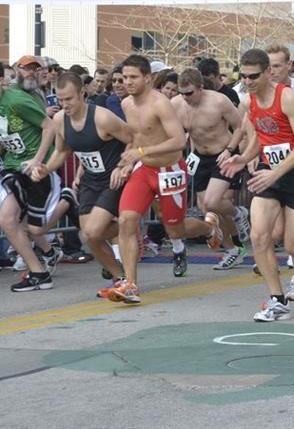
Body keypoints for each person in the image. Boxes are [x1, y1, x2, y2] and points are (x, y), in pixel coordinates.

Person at [220, 49, 294, 321]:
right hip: (266, 173)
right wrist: (243, 158)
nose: (248, 81)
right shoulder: (248, 102)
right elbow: (262, 137)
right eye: (244, 76)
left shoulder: (286, 96)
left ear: (268, 72)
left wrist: (276, 173)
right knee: (260, 236)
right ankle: (277, 299)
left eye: (254, 76)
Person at [104, 55, 224, 304]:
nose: (128, 82)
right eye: (125, 77)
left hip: (170, 170)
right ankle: (130, 283)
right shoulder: (126, 104)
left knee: (174, 229)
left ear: (147, 78)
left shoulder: (160, 104)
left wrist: (140, 153)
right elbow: (138, 137)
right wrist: (126, 163)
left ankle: (209, 227)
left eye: (133, 77)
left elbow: (179, 141)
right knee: (126, 220)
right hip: (144, 169)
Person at [31, 72, 134, 285]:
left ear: (82, 93)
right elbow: (61, 151)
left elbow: (134, 139)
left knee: (94, 230)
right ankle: (120, 277)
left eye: (69, 99)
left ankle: (130, 228)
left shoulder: (102, 118)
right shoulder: (59, 120)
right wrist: (45, 169)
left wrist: (123, 165)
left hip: (113, 180)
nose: (64, 104)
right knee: (89, 237)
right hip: (90, 181)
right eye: (60, 100)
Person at [0, 58, 61, 292]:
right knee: (7, 221)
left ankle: (67, 201)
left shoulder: (17, 100)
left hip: (36, 169)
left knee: (30, 226)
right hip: (12, 167)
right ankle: (39, 272)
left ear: (0, 81)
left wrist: (38, 159)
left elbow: (49, 127)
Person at [171, 69, 250, 272]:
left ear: (201, 88)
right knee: (209, 210)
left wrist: (230, 150)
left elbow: (240, 126)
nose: (185, 97)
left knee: (213, 201)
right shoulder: (176, 105)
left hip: (223, 155)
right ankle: (234, 249)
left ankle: (238, 213)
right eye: (182, 93)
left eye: (190, 93)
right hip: (199, 157)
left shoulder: (219, 101)